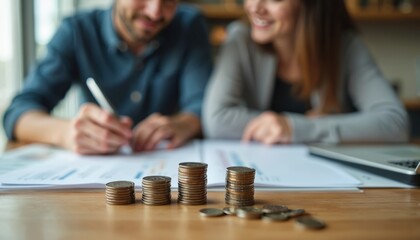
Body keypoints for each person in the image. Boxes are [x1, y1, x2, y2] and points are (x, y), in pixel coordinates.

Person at [3, 0, 212, 154]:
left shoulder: (189, 25)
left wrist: (185, 123)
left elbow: (200, 106)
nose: (155, 12)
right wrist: (66, 133)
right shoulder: (77, 31)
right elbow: (18, 113)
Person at [203, 0, 408, 144]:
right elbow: (217, 121)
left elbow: (395, 123)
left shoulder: (345, 46)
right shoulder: (239, 40)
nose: (254, 6)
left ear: (310, 6)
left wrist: (295, 128)